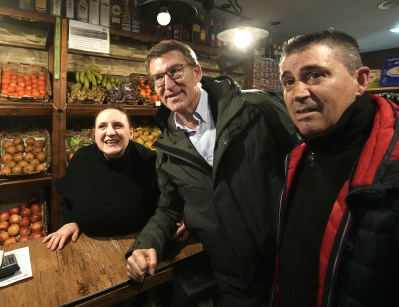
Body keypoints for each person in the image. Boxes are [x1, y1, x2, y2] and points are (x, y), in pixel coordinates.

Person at [274, 29, 399, 306]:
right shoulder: (299, 155)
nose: (298, 93)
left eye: (315, 75)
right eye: (289, 81)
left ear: (360, 80)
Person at [125, 39, 296, 305]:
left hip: (288, 261)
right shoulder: (167, 148)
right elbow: (168, 209)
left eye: (175, 71)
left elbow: (306, 157)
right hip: (233, 280)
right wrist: (147, 243)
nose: (168, 85)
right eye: (158, 78)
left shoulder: (253, 108)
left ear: (197, 72)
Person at [43, 105, 161, 250]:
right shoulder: (81, 159)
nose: (110, 132)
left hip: (138, 247)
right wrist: (71, 222)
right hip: (85, 245)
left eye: (118, 125)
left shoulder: (149, 161)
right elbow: (68, 199)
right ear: (95, 134)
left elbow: (162, 208)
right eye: (102, 126)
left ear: (131, 133)